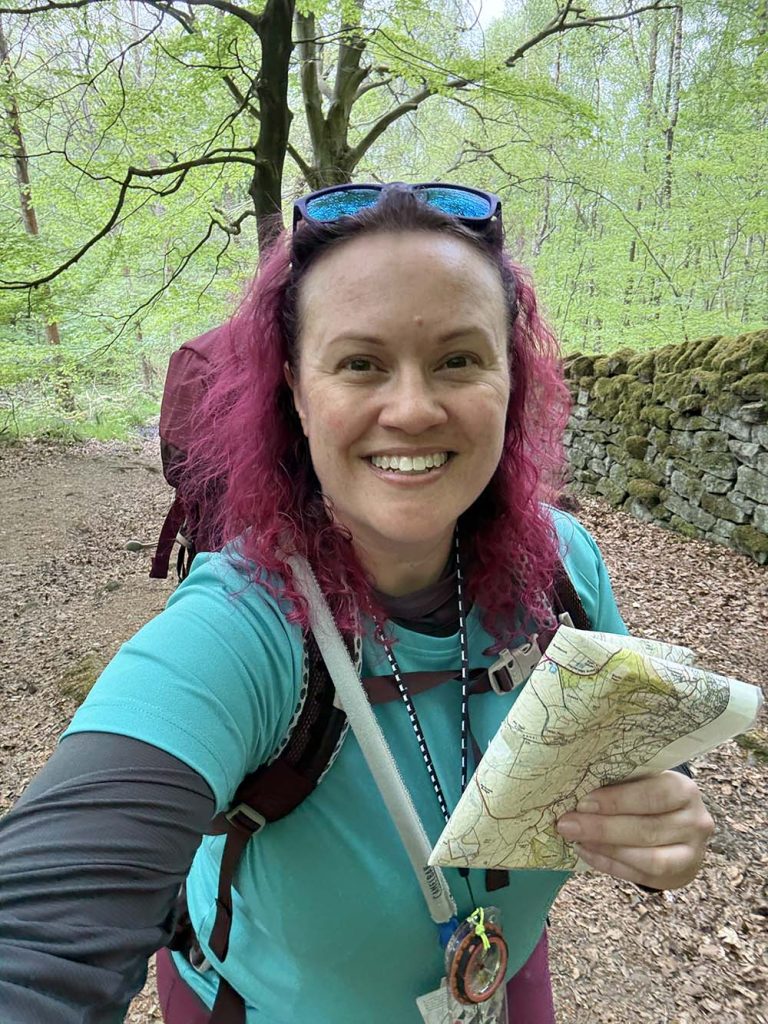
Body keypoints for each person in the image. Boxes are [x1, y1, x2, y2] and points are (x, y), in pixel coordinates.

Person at [0, 182, 714, 1024]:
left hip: (501, 982)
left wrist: (662, 816)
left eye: (457, 358)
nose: (412, 408)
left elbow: (645, 761)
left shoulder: (563, 567)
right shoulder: (243, 628)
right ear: (298, 395)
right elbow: (40, 934)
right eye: (360, 363)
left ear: (510, 381)